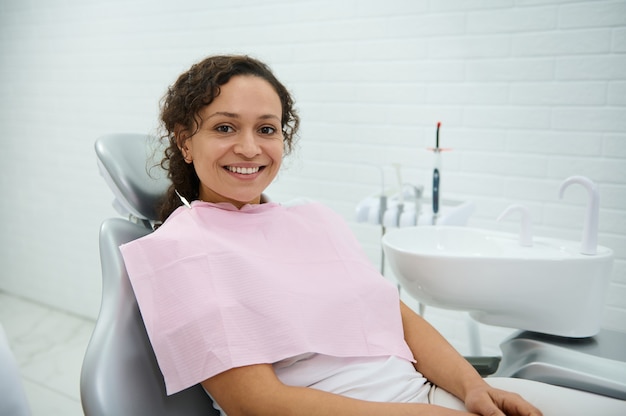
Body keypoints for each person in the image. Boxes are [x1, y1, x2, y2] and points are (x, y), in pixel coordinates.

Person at [119, 55, 624, 416]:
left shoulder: (310, 218)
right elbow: (255, 402)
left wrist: (473, 389)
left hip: (420, 394)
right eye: (225, 128)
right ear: (186, 142)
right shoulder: (180, 251)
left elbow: (394, 317)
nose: (249, 148)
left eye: (267, 129)